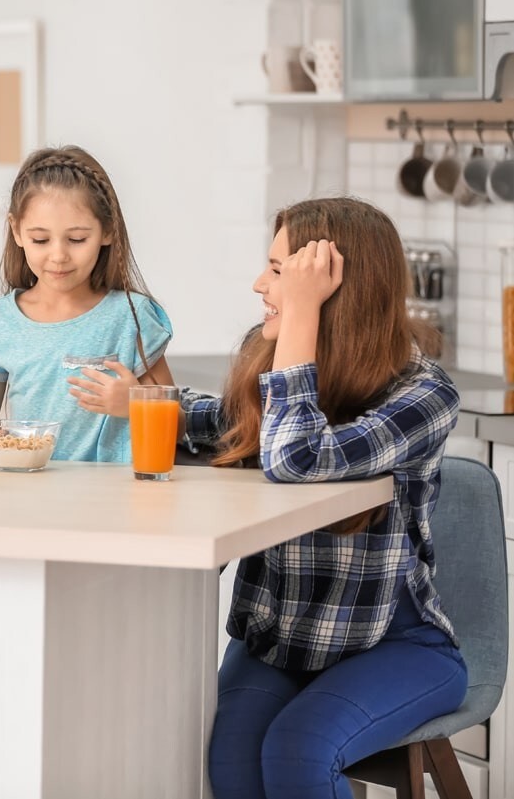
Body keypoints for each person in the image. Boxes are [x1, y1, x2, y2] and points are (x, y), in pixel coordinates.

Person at [183, 198, 465, 798]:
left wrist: (303, 314)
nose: (260, 284)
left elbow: (294, 458)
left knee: (297, 751)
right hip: (285, 636)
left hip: (395, 641)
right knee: (229, 761)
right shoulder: (279, 364)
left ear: (334, 291)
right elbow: (223, 424)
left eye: (280, 272)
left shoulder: (424, 394)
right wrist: (130, 398)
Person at [0, 145, 174, 462]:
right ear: (16, 230)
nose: (58, 255)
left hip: (113, 502)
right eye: (40, 240)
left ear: (107, 231)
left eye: (76, 239)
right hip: (29, 497)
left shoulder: (131, 317)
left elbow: (179, 423)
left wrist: (135, 404)